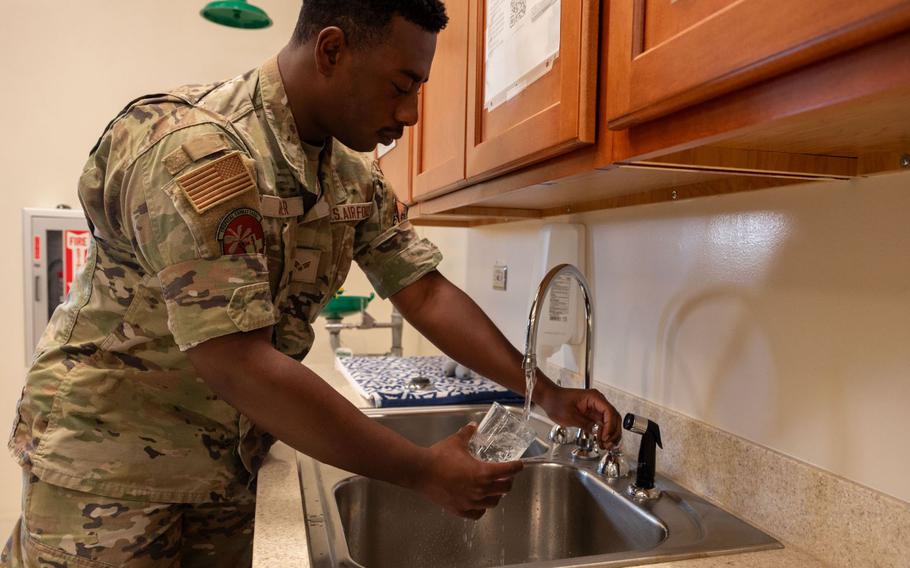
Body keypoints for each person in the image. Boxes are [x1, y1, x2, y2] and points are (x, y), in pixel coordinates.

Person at [2, 1, 622, 566]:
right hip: (108, 473)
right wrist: (422, 471)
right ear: (331, 50)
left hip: (226, 472)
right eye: (401, 86)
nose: (409, 113)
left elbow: (423, 291)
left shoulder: (350, 176)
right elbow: (237, 361)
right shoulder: (197, 152)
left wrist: (542, 391)